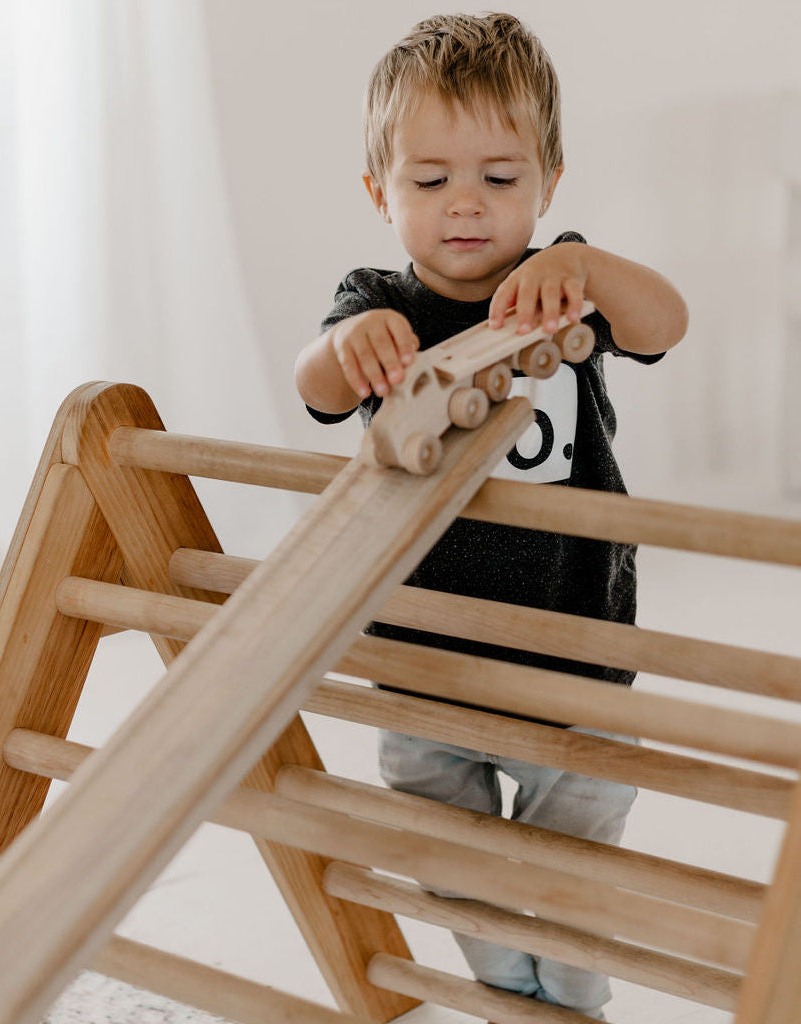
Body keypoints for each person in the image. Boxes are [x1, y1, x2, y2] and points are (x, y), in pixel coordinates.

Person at [293, 12, 688, 1021]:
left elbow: (665, 323)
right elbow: (320, 390)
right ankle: (507, 990)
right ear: (381, 192)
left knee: (570, 870)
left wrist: (587, 268)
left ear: (548, 182)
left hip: (572, 655)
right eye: (430, 182)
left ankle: (572, 1004)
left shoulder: (560, 283)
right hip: (421, 656)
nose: (464, 204)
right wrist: (352, 344)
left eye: (499, 178)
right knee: (451, 858)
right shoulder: (373, 299)